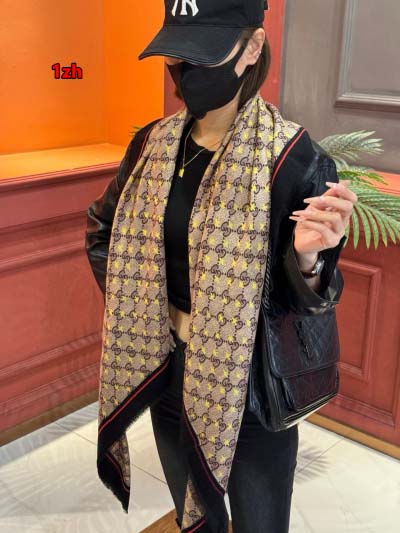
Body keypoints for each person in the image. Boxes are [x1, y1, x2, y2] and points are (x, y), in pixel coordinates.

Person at [86, 2, 356, 532]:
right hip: (164, 365)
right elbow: (102, 231)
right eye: (176, 55)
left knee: (260, 521)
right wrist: (137, 310)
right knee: (197, 517)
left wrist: (306, 258)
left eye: (204, 55)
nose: (186, 72)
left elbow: (312, 299)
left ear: (251, 48)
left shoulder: (293, 158)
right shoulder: (152, 147)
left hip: (250, 382)